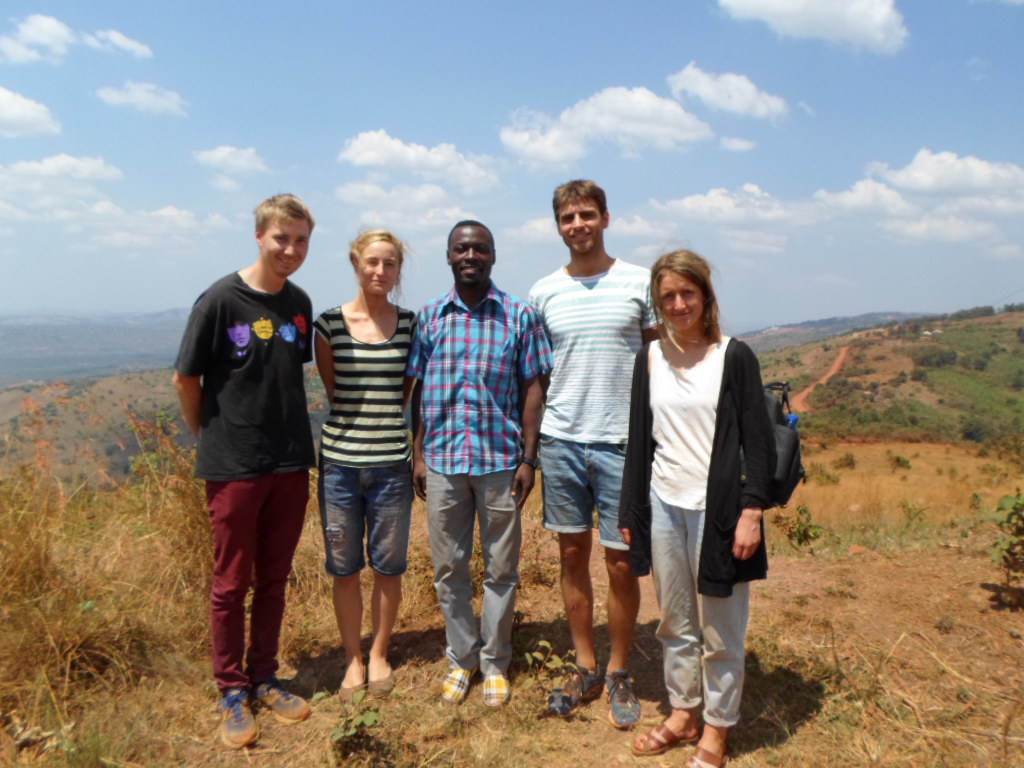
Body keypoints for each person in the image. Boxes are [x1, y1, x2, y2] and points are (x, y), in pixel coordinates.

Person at [619, 250, 775, 767]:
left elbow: (759, 442)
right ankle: (684, 712)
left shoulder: (734, 356)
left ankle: (717, 727)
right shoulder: (651, 357)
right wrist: (630, 508)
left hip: (720, 509)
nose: (679, 303)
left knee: (721, 625)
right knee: (675, 620)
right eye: (668, 296)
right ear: (657, 303)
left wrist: (752, 511)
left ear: (705, 295)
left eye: (688, 293)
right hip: (664, 504)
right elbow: (640, 439)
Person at [173, 194, 316, 749]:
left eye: (301, 240)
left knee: (275, 578)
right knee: (231, 582)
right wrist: (208, 437)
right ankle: (231, 688)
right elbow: (186, 380)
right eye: (282, 238)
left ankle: (265, 676)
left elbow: (284, 375)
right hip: (233, 464)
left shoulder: (298, 303)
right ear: (259, 236)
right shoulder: (219, 300)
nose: (291, 249)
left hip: (288, 462)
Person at [406, 220, 553, 708]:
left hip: (500, 462)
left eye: (480, 248)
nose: (471, 255)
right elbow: (420, 390)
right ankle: (461, 658)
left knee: (501, 570)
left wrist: (529, 458)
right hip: (445, 462)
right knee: (449, 569)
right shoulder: (430, 318)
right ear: (449, 256)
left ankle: (495, 662)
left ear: (493, 255)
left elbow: (534, 388)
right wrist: (420, 453)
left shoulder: (520, 316)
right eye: (461, 248)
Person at [528, 180, 658, 728]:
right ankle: (586, 665)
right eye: (567, 217)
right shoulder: (542, 293)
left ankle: (620, 668)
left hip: (623, 443)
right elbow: (537, 374)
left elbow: (657, 361)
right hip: (562, 440)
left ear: (606, 218)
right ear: (557, 226)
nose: (577, 225)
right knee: (571, 556)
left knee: (622, 560)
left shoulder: (638, 282)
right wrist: (530, 447)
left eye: (586, 215)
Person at [313, 230, 416, 702]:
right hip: (340, 465)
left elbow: (404, 396)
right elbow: (336, 395)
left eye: (389, 264)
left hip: (392, 463)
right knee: (345, 566)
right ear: (356, 263)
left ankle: (379, 652)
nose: (380, 271)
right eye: (372, 262)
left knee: (389, 566)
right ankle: (352, 657)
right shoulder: (329, 324)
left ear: (398, 270)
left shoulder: (412, 324)